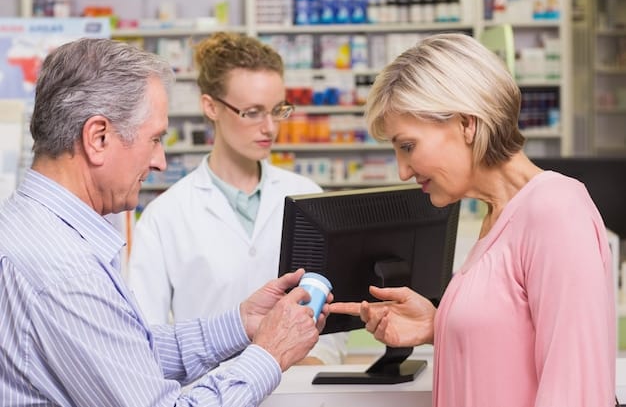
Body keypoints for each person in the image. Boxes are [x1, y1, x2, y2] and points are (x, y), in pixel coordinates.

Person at [0, 37, 329, 406]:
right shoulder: (65, 271)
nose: (159, 161)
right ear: (98, 137)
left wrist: (241, 324)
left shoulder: (33, 227)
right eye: (154, 138)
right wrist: (270, 353)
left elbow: (130, 356)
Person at [330, 33, 616, 407]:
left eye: (407, 146)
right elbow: (511, 339)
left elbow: (576, 393)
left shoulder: (555, 211)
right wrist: (440, 325)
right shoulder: (497, 217)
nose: (402, 170)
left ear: (466, 123)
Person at [126, 32, 347, 365]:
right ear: (211, 106)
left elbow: (332, 312)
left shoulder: (307, 197)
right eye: (253, 112)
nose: (270, 127)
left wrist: (318, 361)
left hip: (298, 391)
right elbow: (144, 337)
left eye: (277, 110)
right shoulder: (165, 216)